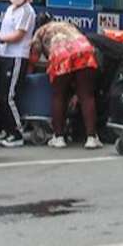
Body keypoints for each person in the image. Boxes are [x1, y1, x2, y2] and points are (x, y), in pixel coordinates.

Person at [30, 13, 101, 149]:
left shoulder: (40, 32)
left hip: (61, 55)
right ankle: (91, 138)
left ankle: (59, 137)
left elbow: (34, 57)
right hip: (84, 51)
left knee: (59, 96)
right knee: (86, 96)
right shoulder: (66, 25)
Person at [0, 0, 36, 148]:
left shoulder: (27, 11)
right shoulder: (11, 9)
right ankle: (7, 129)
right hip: (3, 54)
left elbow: (19, 35)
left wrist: (0, 38)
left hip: (16, 56)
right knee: (0, 97)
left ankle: (17, 133)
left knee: (8, 96)